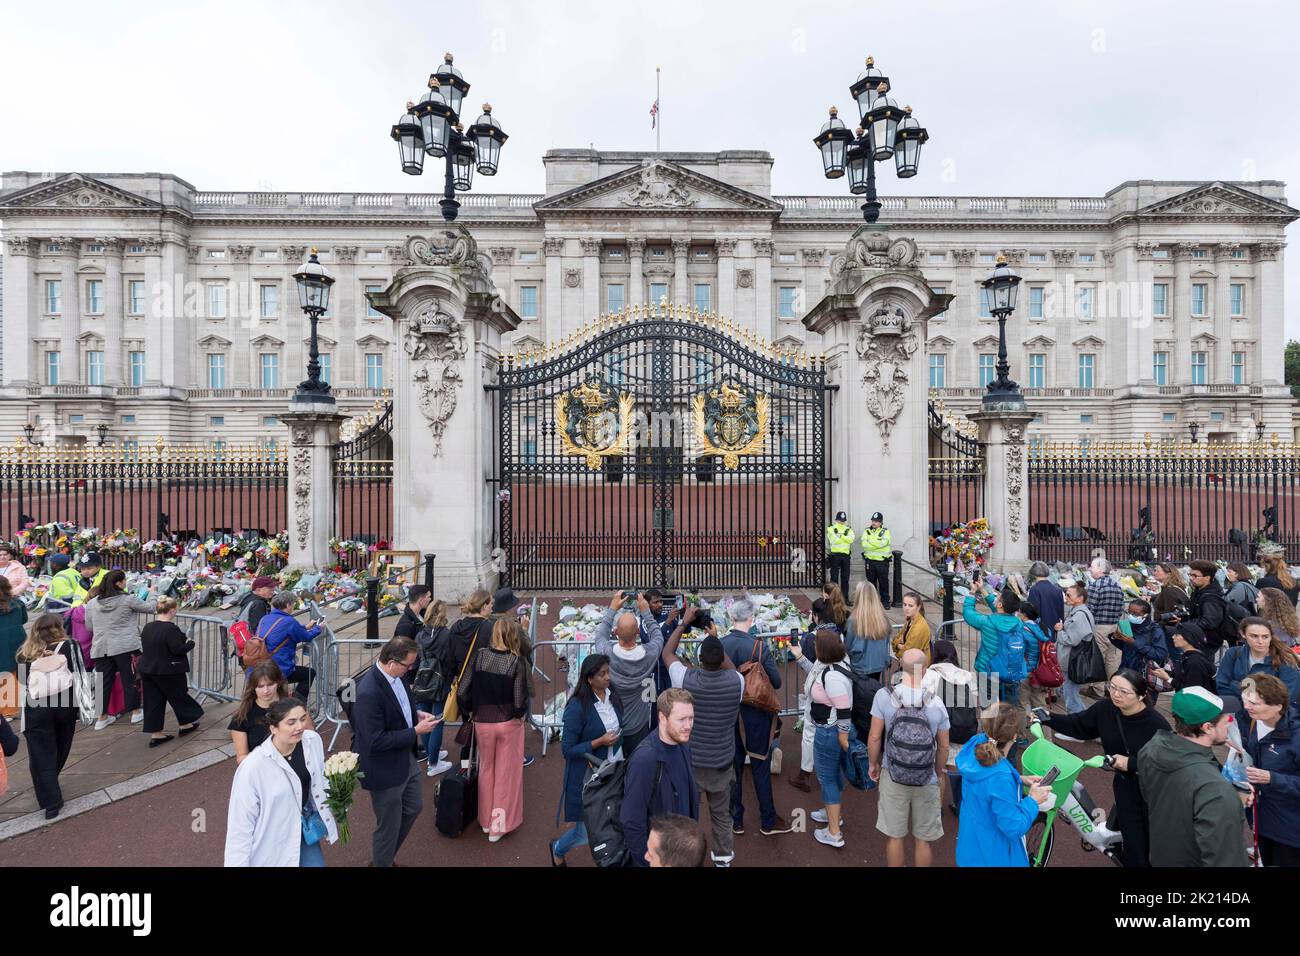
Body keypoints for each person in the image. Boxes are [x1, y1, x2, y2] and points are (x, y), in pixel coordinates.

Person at [1038, 669, 1170, 866]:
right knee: (1133, 845)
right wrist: (1047, 718)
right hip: (1126, 786)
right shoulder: (1106, 708)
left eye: (1124, 692)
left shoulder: (1156, 725)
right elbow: (1079, 725)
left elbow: (1167, 762)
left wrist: (1131, 763)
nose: (1116, 694)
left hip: (1153, 792)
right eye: (1113, 687)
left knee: (1149, 846)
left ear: (1142, 696)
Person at [662, 608, 743, 866]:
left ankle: (687, 857)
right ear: (720, 659)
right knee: (721, 816)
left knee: (687, 815)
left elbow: (667, 653)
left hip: (692, 761)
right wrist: (716, 641)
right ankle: (722, 858)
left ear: (699, 659)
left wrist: (683, 624)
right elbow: (735, 672)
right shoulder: (736, 682)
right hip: (721, 761)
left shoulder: (687, 678)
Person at [1137, 686, 1250, 867]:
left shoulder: (1151, 750)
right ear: (1207, 727)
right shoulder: (1215, 789)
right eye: (1226, 719)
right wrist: (1229, 800)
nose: (1230, 722)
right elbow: (1226, 859)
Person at [354, 636, 438, 867]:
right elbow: (374, 740)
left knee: (413, 807)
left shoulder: (396, 677)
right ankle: (383, 862)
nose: (409, 669)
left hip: (405, 759)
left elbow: (401, 707)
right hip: (384, 769)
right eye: (407, 665)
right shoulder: (369, 691)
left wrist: (416, 716)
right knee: (388, 826)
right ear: (392, 662)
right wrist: (416, 731)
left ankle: (385, 857)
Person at [224, 696, 338, 867]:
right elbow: (240, 825)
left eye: (302, 719)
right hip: (271, 843)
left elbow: (320, 778)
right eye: (291, 722)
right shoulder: (252, 767)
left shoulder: (312, 740)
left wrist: (337, 799)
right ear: (274, 728)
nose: (299, 727)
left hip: (303, 832)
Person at [868, 647, 951, 866]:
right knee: (923, 840)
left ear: (901, 667)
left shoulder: (884, 696)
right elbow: (943, 747)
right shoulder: (936, 702)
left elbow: (875, 737)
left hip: (893, 772)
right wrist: (936, 772)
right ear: (923, 670)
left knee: (895, 837)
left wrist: (873, 764)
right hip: (926, 776)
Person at [721, 597, 793, 836]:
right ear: (750, 620)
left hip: (729, 713)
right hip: (754, 715)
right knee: (761, 766)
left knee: (734, 769)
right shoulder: (758, 647)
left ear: (732, 618)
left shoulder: (720, 645)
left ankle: (736, 819)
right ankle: (768, 820)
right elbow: (777, 681)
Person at [953, 702, 1053, 867]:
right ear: (1014, 736)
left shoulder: (975, 745)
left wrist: (1019, 778)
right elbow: (1013, 827)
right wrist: (1033, 801)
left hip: (970, 848)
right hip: (993, 856)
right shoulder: (1001, 778)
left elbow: (986, 782)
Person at [457, 617, 527, 842]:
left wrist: (469, 711)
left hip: (482, 721)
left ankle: (486, 821)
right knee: (506, 773)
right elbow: (518, 701)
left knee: (486, 769)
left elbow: (461, 691)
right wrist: (518, 715)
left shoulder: (479, 656)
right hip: (507, 722)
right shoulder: (515, 662)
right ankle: (499, 825)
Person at [552, 653, 624, 866]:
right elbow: (567, 750)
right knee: (583, 833)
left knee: (616, 821)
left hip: (615, 770)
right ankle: (557, 848)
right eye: (602, 674)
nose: (608, 677)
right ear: (589, 679)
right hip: (589, 779)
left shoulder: (614, 695)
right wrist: (598, 742)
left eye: (608, 672)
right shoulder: (577, 706)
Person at [788, 627, 854, 848]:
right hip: (828, 730)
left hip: (829, 732)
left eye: (815, 645)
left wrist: (843, 738)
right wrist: (799, 657)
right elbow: (816, 674)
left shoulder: (833, 675)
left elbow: (844, 710)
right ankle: (831, 814)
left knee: (827, 779)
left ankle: (834, 832)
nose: (813, 647)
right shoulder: (832, 665)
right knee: (832, 776)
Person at [619, 688, 699, 867]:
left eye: (691, 718)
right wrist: (647, 863)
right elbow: (631, 820)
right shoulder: (644, 759)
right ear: (663, 718)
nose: (688, 726)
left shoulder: (683, 744)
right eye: (681, 719)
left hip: (680, 853)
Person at [15, 614, 80, 818]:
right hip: (64, 704)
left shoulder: (24, 653)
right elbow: (79, 674)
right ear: (58, 628)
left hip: (36, 706)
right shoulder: (70, 646)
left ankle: (51, 801)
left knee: (41, 753)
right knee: (62, 745)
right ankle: (51, 782)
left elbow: (24, 684)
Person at [592, 591, 665, 756]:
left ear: (616, 632)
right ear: (638, 632)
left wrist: (612, 608)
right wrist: (645, 611)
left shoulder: (607, 654)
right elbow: (658, 636)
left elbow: (600, 635)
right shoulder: (649, 654)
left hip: (613, 724)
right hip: (638, 725)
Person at [1241, 674, 1300, 866]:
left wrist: (1272, 778)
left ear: (1278, 706)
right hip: (1262, 819)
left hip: (1290, 828)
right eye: (1246, 701)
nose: (1247, 707)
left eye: (1254, 703)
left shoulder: (1296, 736)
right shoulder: (1253, 720)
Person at [86, 569, 156, 730]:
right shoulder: (127, 600)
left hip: (101, 647)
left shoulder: (92, 603)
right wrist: (153, 592)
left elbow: (89, 626)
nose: (126, 583)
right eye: (124, 580)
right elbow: (152, 608)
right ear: (118, 583)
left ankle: (101, 717)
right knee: (131, 679)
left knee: (102, 682)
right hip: (125, 646)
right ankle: (136, 711)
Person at [138, 597, 204, 746]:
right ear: (172, 610)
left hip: (148, 669)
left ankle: (156, 734)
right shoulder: (171, 628)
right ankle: (185, 724)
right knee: (178, 696)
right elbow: (177, 649)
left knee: (153, 701)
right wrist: (190, 644)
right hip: (168, 669)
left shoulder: (148, 626)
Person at [229, 660, 312, 762]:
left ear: (278, 683)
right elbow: (241, 757)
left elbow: (310, 738)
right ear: (253, 687)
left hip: (297, 763)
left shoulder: (295, 704)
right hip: (263, 770)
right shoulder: (242, 716)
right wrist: (260, 755)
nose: (266, 690)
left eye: (270, 684)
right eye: (260, 686)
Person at [250, 592, 323, 702]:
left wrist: (305, 627)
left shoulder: (265, 618)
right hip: (279, 667)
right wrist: (319, 628)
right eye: (293, 604)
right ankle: (297, 704)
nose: (293, 607)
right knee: (309, 674)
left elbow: (280, 632)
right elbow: (306, 637)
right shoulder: (289, 621)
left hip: (260, 664)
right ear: (288, 605)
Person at [961, 579, 1024, 704]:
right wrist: (983, 590)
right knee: (1010, 712)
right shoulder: (1018, 623)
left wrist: (972, 593)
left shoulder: (987, 622)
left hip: (988, 671)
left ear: (1000, 605)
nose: (995, 598)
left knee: (989, 711)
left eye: (997, 597)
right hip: (1010, 672)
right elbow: (1002, 615)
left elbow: (969, 614)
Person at [1216, 617, 1300, 711]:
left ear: (1271, 636)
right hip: (1236, 714)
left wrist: (1235, 685)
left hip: (1268, 718)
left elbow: (1285, 698)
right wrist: (1259, 695)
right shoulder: (1233, 653)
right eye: (1254, 636)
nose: (1260, 641)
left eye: (1265, 637)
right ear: (1243, 634)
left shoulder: (1285, 660)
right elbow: (1221, 686)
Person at [416, 598, 453, 778]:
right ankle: (433, 763)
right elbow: (448, 661)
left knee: (425, 721)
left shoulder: (420, 635)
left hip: (422, 681)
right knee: (437, 722)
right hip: (439, 682)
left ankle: (433, 754)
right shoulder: (446, 634)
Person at [1173, 560, 1234, 656]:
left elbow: (1209, 622)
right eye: (1190, 575)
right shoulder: (1198, 591)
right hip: (1197, 638)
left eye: (1195, 576)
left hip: (1205, 642)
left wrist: (1187, 626)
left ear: (1207, 578)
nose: (1191, 578)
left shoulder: (1211, 597)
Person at [1054, 582, 1095, 718]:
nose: (1066, 597)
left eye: (1069, 595)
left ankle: (1077, 728)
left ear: (1080, 598)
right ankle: (1084, 722)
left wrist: (1059, 631)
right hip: (1071, 659)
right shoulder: (1077, 612)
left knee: (1071, 695)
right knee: (1071, 694)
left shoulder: (1079, 616)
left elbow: (1072, 640)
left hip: (1072, 660)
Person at [1086, 558, 1125, 683]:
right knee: (1112, 659)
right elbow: (1122, 608)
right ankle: (1112, 687)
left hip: (1100, 627)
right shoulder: (1116, 585)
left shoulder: (1095, 586)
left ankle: (1097, 689)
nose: (1090, 569)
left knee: (1098, 659)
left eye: (1092, 566)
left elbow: (1090, 609)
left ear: (1100, 570)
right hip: (1115, 626)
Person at [1151, 622, 1217, 695]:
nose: (1173, 637)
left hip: (1195, 705)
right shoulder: (1189, 657)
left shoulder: (1194, 661)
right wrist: (1167, 673)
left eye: (1177, 634)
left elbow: (1191, 690)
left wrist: (1168, 679)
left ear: (1188, 638)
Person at [846, 582, 891, 682]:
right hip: (879, 663)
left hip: (860, 665)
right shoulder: (882, 617)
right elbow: (886, 641)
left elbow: (848, 645)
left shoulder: (854, 619)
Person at [1113, 598, 1170, 677]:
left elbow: (1160, 655)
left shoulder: (1155, 630)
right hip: (1126, 669)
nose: (1131, 615)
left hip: (1143, 673)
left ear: (1146, 615)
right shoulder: (1129, 625)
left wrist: (1134, 643)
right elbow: (1125, 648)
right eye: (1129, 612)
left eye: (1135, 613)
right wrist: (1115, 638)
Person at [0, 577, 28, 719]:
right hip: (18, 640)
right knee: (13, 673)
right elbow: (24, 620)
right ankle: (10, 709)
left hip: (2, 642)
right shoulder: (18, 603)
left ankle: (7, 711)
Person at [861, 511, 892, 608]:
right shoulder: (866, 531)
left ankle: (885, 602)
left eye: (876, 521)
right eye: (873, 521)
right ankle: (872, 602)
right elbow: (864, 545)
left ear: (881, 523)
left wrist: (870, 541)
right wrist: (876, 543)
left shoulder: (885, 532)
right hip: (870, 561)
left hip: (882, 562)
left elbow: (884, 543)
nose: (874, 523)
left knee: (883, 582)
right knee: (871, 583)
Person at [1025, 561, 1065, 637]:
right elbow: (1061, 614)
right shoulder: (1057, 590)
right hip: (1055, 630)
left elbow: (1032, 613)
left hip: (1040, 631)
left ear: (1033, 573)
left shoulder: (1034, 590)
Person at [892, 592, 932, 665]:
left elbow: (907, 651)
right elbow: (895, 639)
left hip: (918, 666)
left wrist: (898, 647)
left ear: (918, 607)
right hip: (911, 664)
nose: (906, 608)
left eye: (910, 606)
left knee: (916, 677)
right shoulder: (910, 619)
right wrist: (898, 645)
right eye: (904, 604)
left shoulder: (919, 627)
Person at [825, 510, 854, 597]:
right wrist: (845, 538)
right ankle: (834, 598)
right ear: (836, 520)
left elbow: (851, 540)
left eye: (843, 520)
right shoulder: (831, 528)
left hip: (846, 556)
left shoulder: (848, 529)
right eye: (840, 520)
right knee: (834, 578)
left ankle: (845, 598)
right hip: (835, 556)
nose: (841, 522)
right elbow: (834, 541)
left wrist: (840, 536)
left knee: (845, 578)